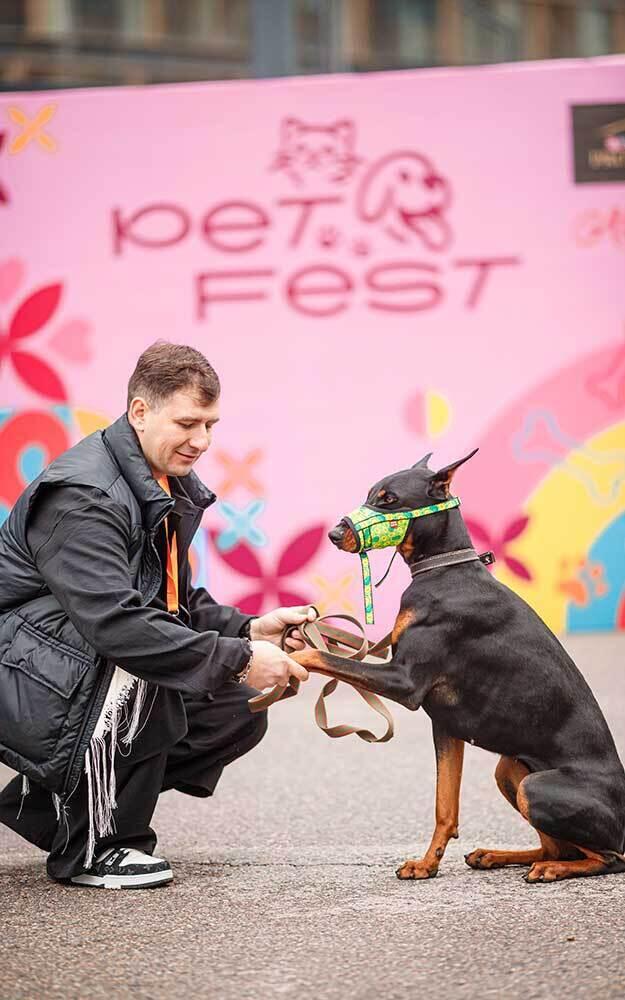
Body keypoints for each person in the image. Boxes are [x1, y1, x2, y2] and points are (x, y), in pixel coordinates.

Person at [0, 341, 312, 889]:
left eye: (210, 425)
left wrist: (248, 629)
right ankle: (98, 848)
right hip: (17, 670)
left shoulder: (158, 481)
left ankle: (54, 808)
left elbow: (172, 601)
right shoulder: (84, 495)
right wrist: (240, 658)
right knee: (144, 662)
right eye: (187, 423)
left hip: (57, 663)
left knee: (235, 707)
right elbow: (118, 625)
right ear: (140, 412)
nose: (202, 441)